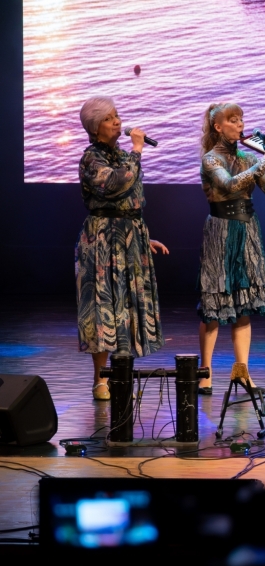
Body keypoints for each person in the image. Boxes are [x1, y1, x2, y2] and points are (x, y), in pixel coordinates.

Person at [75, 97, 168, 400]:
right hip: (103, 239)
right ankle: (100, 380)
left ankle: (122, 376)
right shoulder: (92, 158)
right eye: (109, 118)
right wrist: (137, 150)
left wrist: (142, 236)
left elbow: (132, 198)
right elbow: (118, 184)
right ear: (95, 127)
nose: (117, 121)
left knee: (127, 308)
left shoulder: (122, 156)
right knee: (103, 307)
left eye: (116, 116)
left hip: (130, 237)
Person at [197, 103, 265, 395]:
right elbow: (230, 185)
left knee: (243, 304)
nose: (239, 125)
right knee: (214, 303)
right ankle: (205, 374)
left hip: (247, 229)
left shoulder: (248, 157)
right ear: (218, 127)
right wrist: (263, 165)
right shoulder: (211, 159)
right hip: (221, 231)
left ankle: (243, 374)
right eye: (232, 120)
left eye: (241, 120)